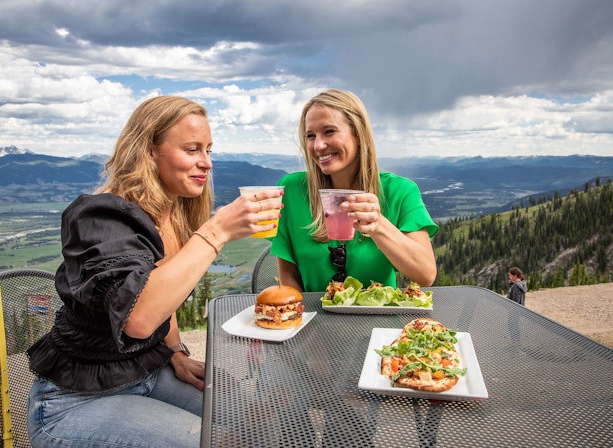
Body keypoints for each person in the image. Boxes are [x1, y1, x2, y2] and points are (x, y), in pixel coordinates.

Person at [26, 95, 283, 448]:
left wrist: (175, 352)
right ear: (149, 150)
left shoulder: (173, 213)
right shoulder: (100, 217)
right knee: (218, 443)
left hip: (146, 373)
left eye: (209, 150)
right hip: (73, 402)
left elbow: (167, 297)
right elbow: (139, 317)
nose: (206, 163)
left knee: (258, 423)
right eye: (192, 149)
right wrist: (216, 231)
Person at [271, 89, 438, 291]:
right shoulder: (291, 190)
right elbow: (288, 277)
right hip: (312, 319)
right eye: (310, 136)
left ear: (358, 134)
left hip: (379, 318)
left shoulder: (400, 191)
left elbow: (426, 275)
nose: (318, 145)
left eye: (329, 131)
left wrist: (378, 225)